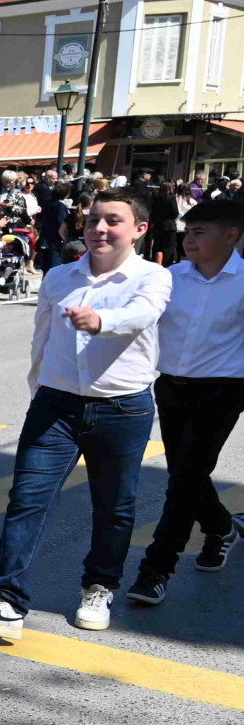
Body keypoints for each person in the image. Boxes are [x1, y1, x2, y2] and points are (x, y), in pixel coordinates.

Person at [0, 189, 169, 640]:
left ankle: (99, 585)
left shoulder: (153, 277)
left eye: (112, 221)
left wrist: (100, 322)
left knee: (115, 507)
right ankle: (7, 601)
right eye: (92, 221)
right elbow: (41, 338)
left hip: (123, 408)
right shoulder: (60, 276)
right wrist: (38, 390)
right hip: (55, 405)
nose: (99, 229)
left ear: (139, 230)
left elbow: (141, 315)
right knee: (27, 499)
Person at [126, 200, 244, 606]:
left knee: (183, 479)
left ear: (230, 236)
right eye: (186, 233)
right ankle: (220, 526)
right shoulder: (170, 278)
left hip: (224, 390)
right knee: (185, 471)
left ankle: (156, 568)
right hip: (172, 387)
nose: (188, 240)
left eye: (199, 233)